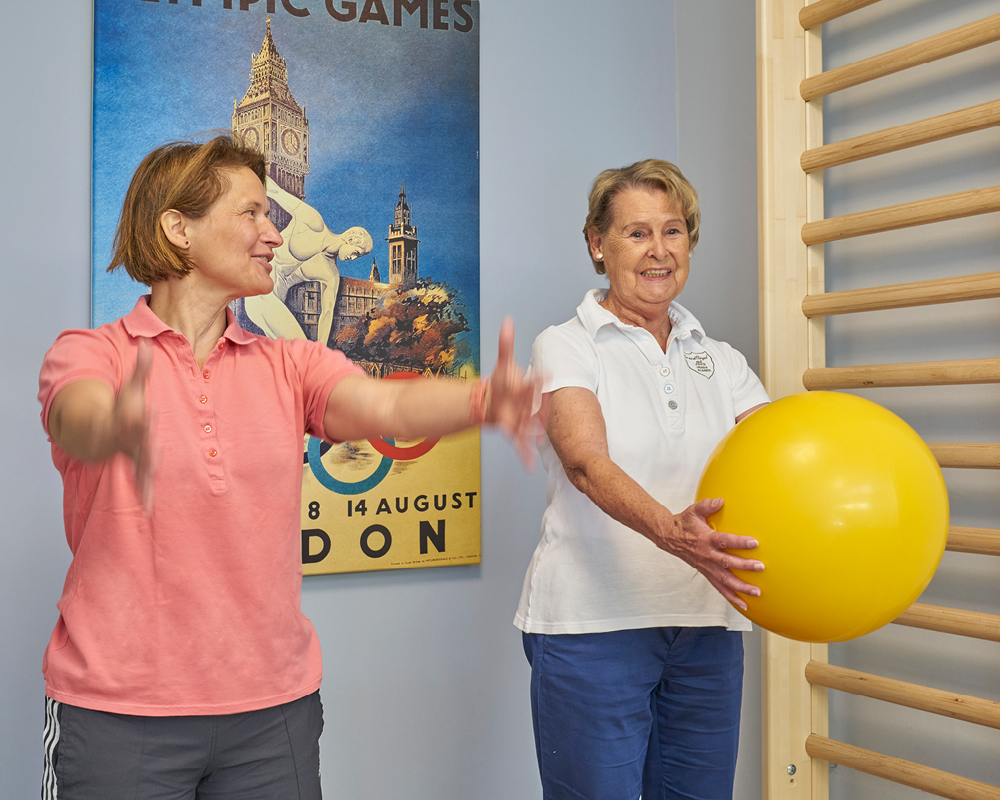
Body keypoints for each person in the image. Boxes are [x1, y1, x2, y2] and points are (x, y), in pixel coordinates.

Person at [37, 135, 537, 800]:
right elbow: (76, 414)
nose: (273, 232)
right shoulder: (91, 353)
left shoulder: (290, 364)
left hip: (271, 719)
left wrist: (479, 400)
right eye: (251, 214)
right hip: (120, 715)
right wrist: (114, 425)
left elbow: (383, 400)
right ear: (178, 228)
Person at [514, 159, 770, 800]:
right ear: (597, 244)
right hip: (592, 625)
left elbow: (778, 458)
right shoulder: (567, 345)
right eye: (635, 233)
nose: (659, 250)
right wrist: (674, 533)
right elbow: (584, 461)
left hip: (707, 622)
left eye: (674, 231)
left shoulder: (724, 359)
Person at [243, 179, 373, 345]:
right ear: (350, 237)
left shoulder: (331, 273)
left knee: (294, 360)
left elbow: (326, 314)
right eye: (356, 253)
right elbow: (275, 192)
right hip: (260, 292)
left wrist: (321, 349)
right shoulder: (313, 222)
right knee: (303, 352)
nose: (353, 258)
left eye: (358, 257)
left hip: (275, 305)